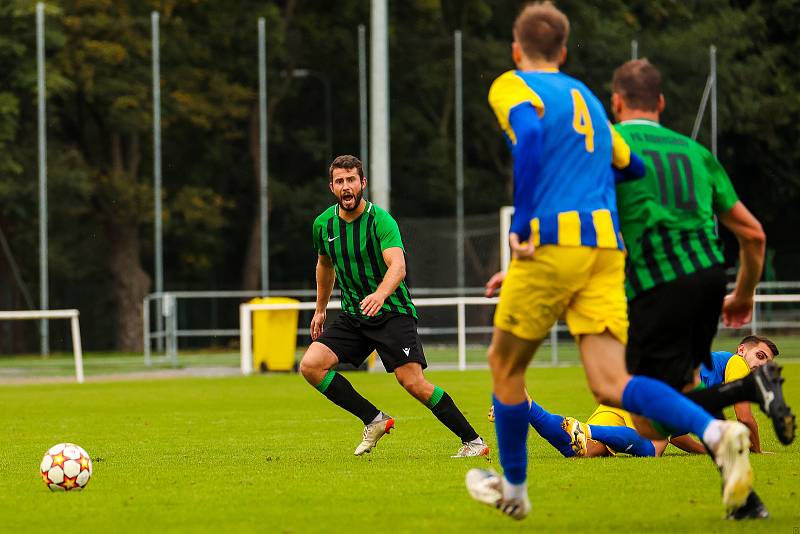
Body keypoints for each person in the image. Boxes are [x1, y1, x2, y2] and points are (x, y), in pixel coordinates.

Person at [465, 2, 755, 521]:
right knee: (610, 383)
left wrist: (522, 223)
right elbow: (631, 163)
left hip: (553, 242)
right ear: (562, 50)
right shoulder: (589, 99)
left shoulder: (512, 84)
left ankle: (514, 490)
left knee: (504, 368)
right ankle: (716, 432)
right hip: (604, 251)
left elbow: (529, 137)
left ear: (517, 50)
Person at [610, 58, 794, 518]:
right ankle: (744, 498)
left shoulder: (611, 147)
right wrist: (744, 293)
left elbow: (581, 217)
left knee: (644, 415)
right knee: (685, 395)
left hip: (656, 283)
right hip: (709, 279)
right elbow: (753, 236)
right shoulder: (697, 154)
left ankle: (747, 392)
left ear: (615, 102)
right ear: (662, 103)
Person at [298, 155, 489, 458]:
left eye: (351, 180)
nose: (346, 187)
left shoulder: (380, 220)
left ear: (362, 183)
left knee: (412, 382)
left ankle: (474, 442)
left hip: (392, 313)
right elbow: (325, 266)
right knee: (311, 365)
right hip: (354, 315)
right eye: (339, 181)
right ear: (332, 187)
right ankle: (375, 419)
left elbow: (397, 266)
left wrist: (380, 295)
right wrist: (320, 309)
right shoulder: (324, 224)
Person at [487, 335, 778, 459]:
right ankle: (586, 428)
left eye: (767, 363)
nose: (760, 366)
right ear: (742, 350)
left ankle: (525, 406)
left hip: (630, 396)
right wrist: (757, 450)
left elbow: (675, 434)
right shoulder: (737, 366)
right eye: (759, 356)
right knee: (651, 451)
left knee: (583, 450)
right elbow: (745, 417)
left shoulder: (715, 370)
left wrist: (705, 451)